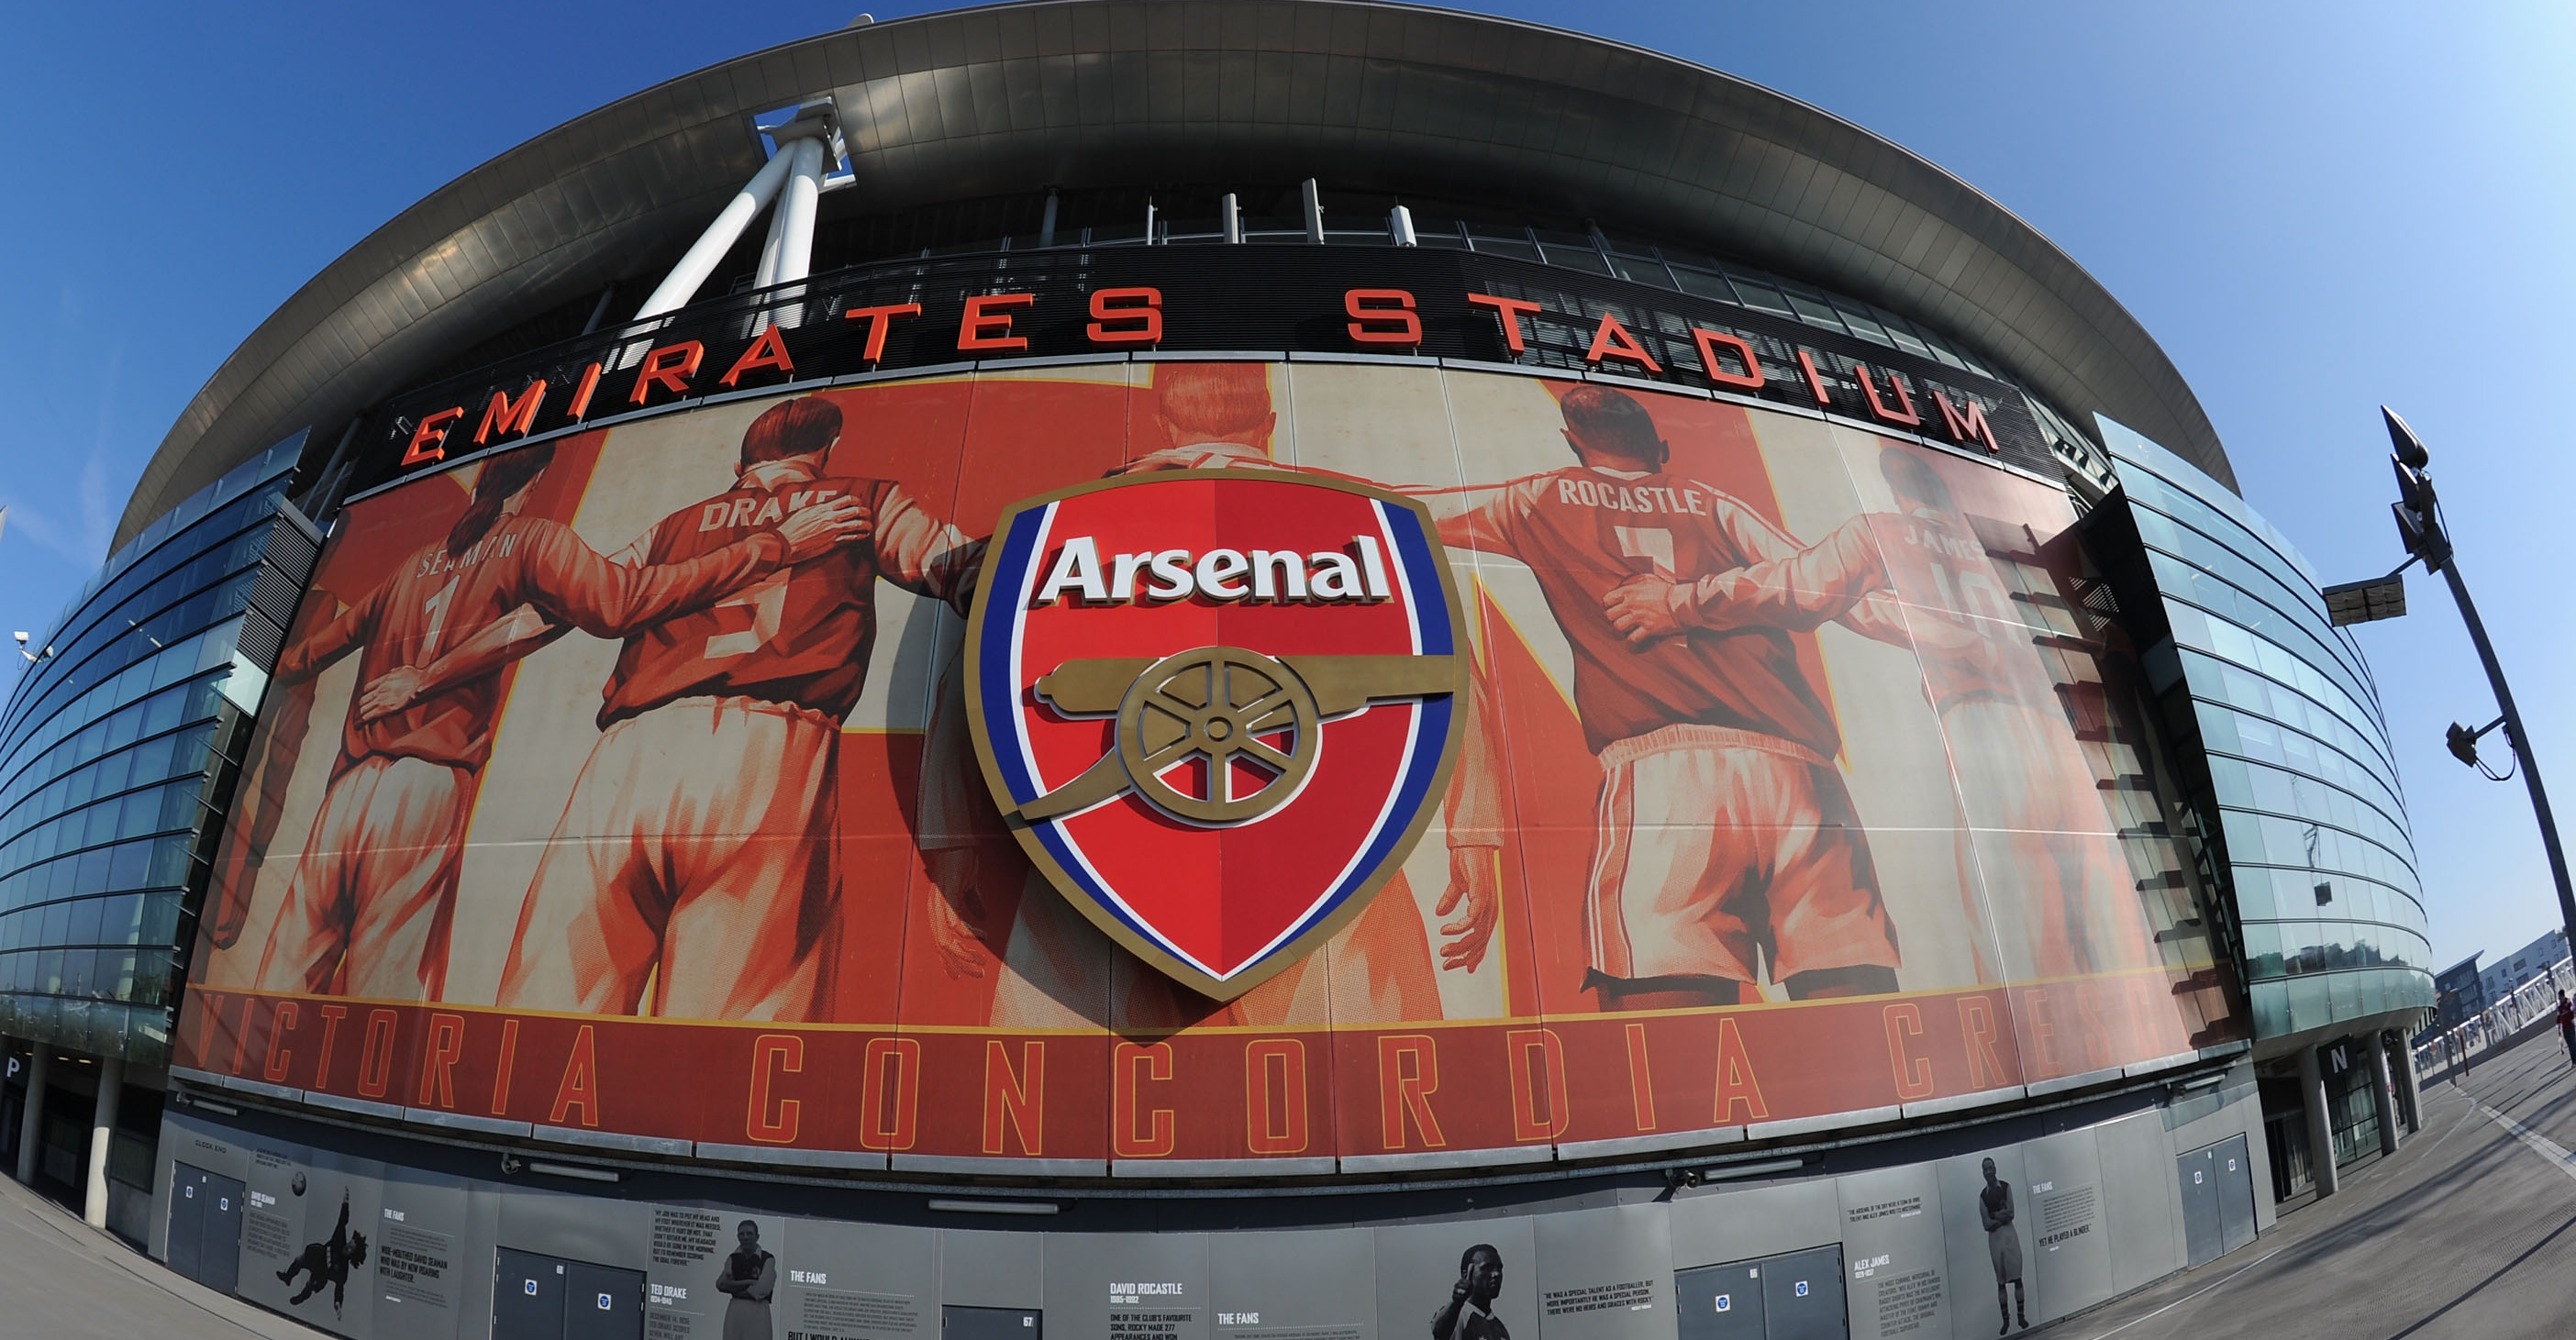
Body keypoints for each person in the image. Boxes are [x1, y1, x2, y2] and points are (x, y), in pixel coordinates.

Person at [923, 361, 1504, 1028]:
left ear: (1163, 421)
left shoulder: (1057, 524)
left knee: (1070, 1086)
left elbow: (971, 679)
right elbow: (1448, 671)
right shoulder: (1360, 520)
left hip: (1097, 868)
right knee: (1358, 1086)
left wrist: (951, 844)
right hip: (1327, 859)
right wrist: (1475, 837)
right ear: (1269, 423)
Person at [239, 446, 860, 1002]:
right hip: (422, 785)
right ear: (531, 482)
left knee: (280, 980)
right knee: (386, 996)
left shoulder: (409, 569)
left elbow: (299, 660)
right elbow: (620, 604)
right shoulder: (537, 540)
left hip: (342, 798)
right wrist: (773, 547)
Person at [474, 394, 983, 1021]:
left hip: (629, 754)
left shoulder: (677, 525)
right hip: (768, 750)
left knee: (547, 1005)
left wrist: (426, 673)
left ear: (741, 461)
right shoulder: (861, 499)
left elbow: (555, 612)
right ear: (827, 450)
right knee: (730, 1031)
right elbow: (957, 565)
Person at [1601, 441, 2166, 987]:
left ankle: (2058, 1040)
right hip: (2068, 725)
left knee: (2019, 887)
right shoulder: (2008, 549)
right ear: (1944, 491)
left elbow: (1798, 587)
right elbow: (2102, 617)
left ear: (1896, 490)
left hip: (1980, 713)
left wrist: (1682, 602)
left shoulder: (1885, 530)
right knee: (2107, 883)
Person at [1428, 383, 1901, 1009]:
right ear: (1663, 449)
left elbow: (1397, 508)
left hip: (1668, 774)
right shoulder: (1714, 505)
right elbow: (1845, 600)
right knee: (1854, 995)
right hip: (1803, 775)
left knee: (1668, 1015)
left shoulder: (1535, 497)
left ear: (1575, 446)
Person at [277, 1190, 370, 1318]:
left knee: (310, 1284)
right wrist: (345, 1204)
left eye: (350, 1249)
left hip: (321, 1273)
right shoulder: (339, 1238)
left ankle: (301, 1297)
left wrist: (338, 1304)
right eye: (349, 1244)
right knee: (298, 1261)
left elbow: (339, 1290)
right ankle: (288, 1277)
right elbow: (342, 1221)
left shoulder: (343, 1271)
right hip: (315, 1256)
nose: (347, 1246)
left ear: (351, 1256)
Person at [1980, 1157, 2026, 1335]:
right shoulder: (1983, 1196)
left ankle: (2021, 1316)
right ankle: (2005, 1321)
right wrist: (2000, 1217)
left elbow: (2010, 1213)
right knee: (2001, 1282)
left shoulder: (2006, 1187)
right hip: (1995, 1241)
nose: (1989, 1172)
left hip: (2009, 1237)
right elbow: (1986, 1223)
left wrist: (1995, 1215)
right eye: (1985, 1169)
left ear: (1995, 1168)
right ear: (1983, 1173)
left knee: (2017, 1278)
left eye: (1991, 1168)